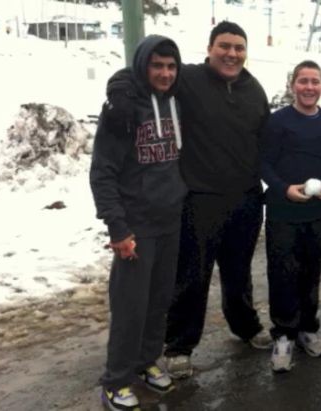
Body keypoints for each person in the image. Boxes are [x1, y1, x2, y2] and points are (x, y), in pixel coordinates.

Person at [106, 21, 271, 380]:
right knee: (192, 276)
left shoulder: (254, 89)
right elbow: (144, 75)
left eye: (239, 47)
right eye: (224, 46)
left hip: (244, 198)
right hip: (199, 199)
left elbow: (264, 140)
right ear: (210, 48)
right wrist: (118, 88)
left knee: (238, 271)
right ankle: (180, 345)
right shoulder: (189, 80)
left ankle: (245, 326)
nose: (232, 54)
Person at [90, 35, 186, 410]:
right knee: (130, 305)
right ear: (143, 65)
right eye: (157, 65)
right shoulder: (123, 108)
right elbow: (102, 172)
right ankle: (116, 380)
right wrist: (117, 226)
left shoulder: (175, 102)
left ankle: (146, 361)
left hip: (170, 219)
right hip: (136, 225)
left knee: (160, 300)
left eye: (171, 66)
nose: (165, 73)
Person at [260, 60, 321, 372]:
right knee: (283, 273)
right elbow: (264, 164)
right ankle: (283, 334)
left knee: (311, 272)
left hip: (318, 212)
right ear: (292, 85)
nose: (309, 87)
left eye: (315, 82)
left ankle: (307, 328)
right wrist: (283, 189)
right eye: (303, 81)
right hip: (283, 212)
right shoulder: (277, 121)